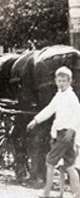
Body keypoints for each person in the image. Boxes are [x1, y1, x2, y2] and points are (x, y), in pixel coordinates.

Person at [27, 66, 80, 198]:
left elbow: (78, 114)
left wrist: (72, 129)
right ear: (56, 81)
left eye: (64, 81)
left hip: (66, 134)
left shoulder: (71, 97)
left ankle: (46, 192)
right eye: (59, 80)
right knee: (68, 166)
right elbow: (50, 109)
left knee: (50, 162)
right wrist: (36, 120)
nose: (61, 83)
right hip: (60, 133)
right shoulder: (59, 95)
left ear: (70, 81)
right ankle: (73, 194)